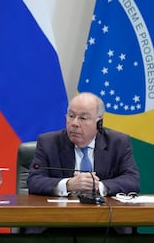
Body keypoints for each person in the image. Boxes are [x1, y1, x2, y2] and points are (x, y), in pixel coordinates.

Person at [26, 92, 139, 234]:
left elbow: (132, 180)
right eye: (71, 116)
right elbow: (34, 180)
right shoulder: (48, 142)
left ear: (99, 123)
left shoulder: (118, 143)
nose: (74, 123)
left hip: (105, 223)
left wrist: (100, 187)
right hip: (57, 223)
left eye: (83, 118)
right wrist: (68, 184)